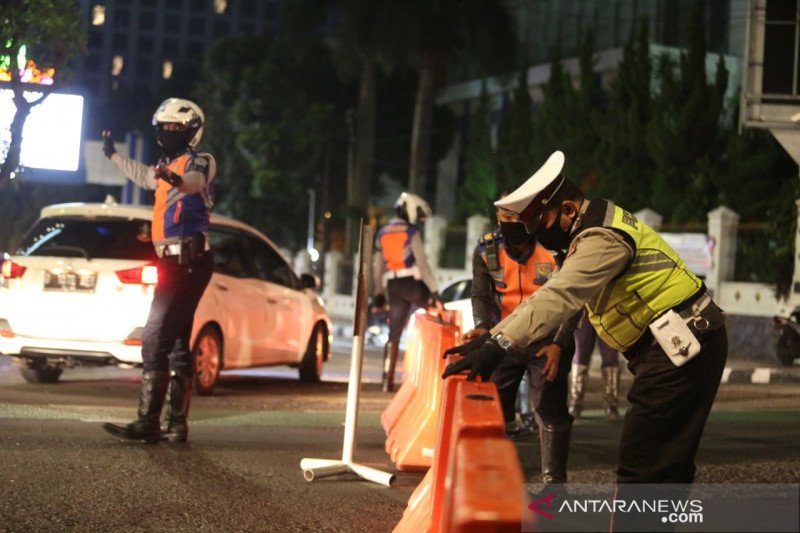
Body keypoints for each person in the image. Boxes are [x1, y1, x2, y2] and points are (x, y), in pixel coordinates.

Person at [443, 150, 727, 485]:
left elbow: (559, 296)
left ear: (567, 209)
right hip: (675, 343)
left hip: (682, 344)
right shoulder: (588, 230)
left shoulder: (601, 237)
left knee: (643, 468)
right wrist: (491, 337)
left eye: (540, 224)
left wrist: (497, 344)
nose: (537, 235)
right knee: (665, 467)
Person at [101, 97, 216, 444]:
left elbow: (192, 182)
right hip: (174, 261)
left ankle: (148, 422)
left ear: (192, 131)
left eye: (174, 128)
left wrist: (174, 178)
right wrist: (112, 154)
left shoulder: (201, 161)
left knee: (154, 339)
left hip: (188, 261)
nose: (168, 133)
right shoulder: (166, 165)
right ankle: (176, 424)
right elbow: (142, 175)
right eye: (163, 128)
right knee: (178, 341)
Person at [465, 189, 578, 483]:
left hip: (548, 340)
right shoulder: (487, 251)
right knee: (496, 409)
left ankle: (555, 485)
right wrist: (481, 326)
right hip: (506, 339)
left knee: (549, 410)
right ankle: (499, 478)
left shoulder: (555, 249)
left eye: (517, 214)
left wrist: (559, 344)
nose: (510, 220)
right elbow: (481, 295)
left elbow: (575, 299)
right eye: (504, 215)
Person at [371, 192, 441, 392]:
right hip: (413, 285)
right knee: (437, 320)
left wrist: (378, 293)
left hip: (393, 287)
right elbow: (423, 264)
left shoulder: (382, 232)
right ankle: (434, 373)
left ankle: (387, 379)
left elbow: (377, 268)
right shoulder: (411, 232)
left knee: (394, 335)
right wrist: (434, 293)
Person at [570, 309, 622, 420]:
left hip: (608, 310)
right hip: (583, 310)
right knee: (579, 356)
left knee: (611, 357)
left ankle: (611, 404)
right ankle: (575, 402)